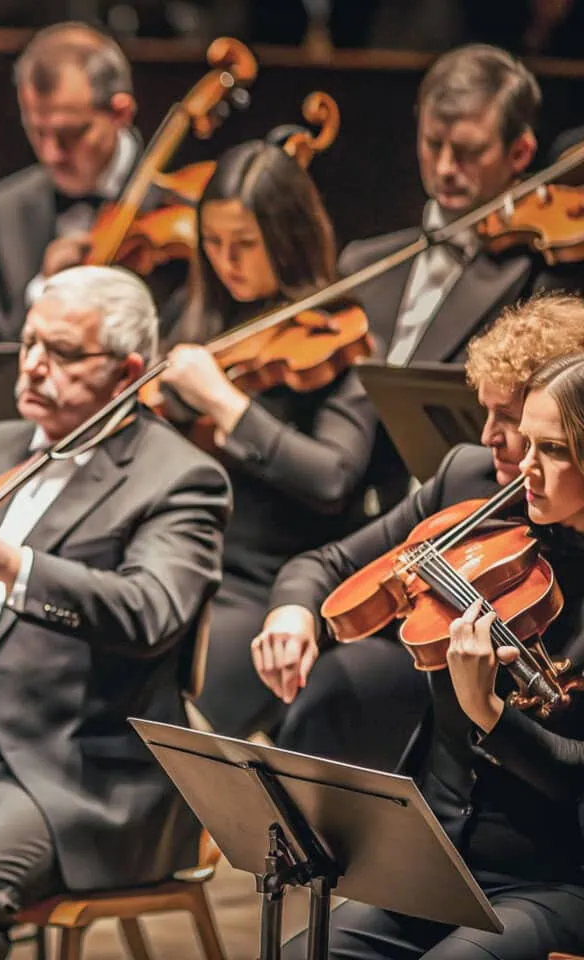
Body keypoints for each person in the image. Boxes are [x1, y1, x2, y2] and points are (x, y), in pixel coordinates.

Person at [0, 265, 229, 960]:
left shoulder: (177, 477)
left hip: (67, 767)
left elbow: (152, 610)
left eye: (63, 353)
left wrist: (17, 566)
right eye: (27, 345)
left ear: (127, 370)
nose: (33, 367)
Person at [279, 352, 584, 959]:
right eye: (526, 443)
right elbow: (337, 565)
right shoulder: (493, 523)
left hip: (555, 878)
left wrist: (488, 710)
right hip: (443, 861)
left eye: (551, 450)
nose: (523, 470)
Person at [259, 293, 584, 776]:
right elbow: (329, 564)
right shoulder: (468, 478)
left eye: (511, 420)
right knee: (337, 685)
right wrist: (292, 613)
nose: (487, 436)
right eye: (487, 412)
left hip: (534, 772)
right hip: (448, 747)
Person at [159, 141, 389, 753]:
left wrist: (225, 403)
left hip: (262, 583)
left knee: (171, 712)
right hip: (175, 561)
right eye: (213, 243)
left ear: (286, 238)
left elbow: (332, 477)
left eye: (245, 244)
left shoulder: (339, 334)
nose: (226, 261)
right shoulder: (192, 314)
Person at [341, 44, 581, 369]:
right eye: (432, 144)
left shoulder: (544, 282)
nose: (444, 168)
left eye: (468, 151)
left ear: (520, 153)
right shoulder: (361, 267)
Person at [0, 23, 159, 340]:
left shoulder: (173, 206)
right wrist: (43, 286)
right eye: (37, 131)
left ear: (121, 113)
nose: (51, 154)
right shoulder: (3, 209)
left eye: (70, 134)